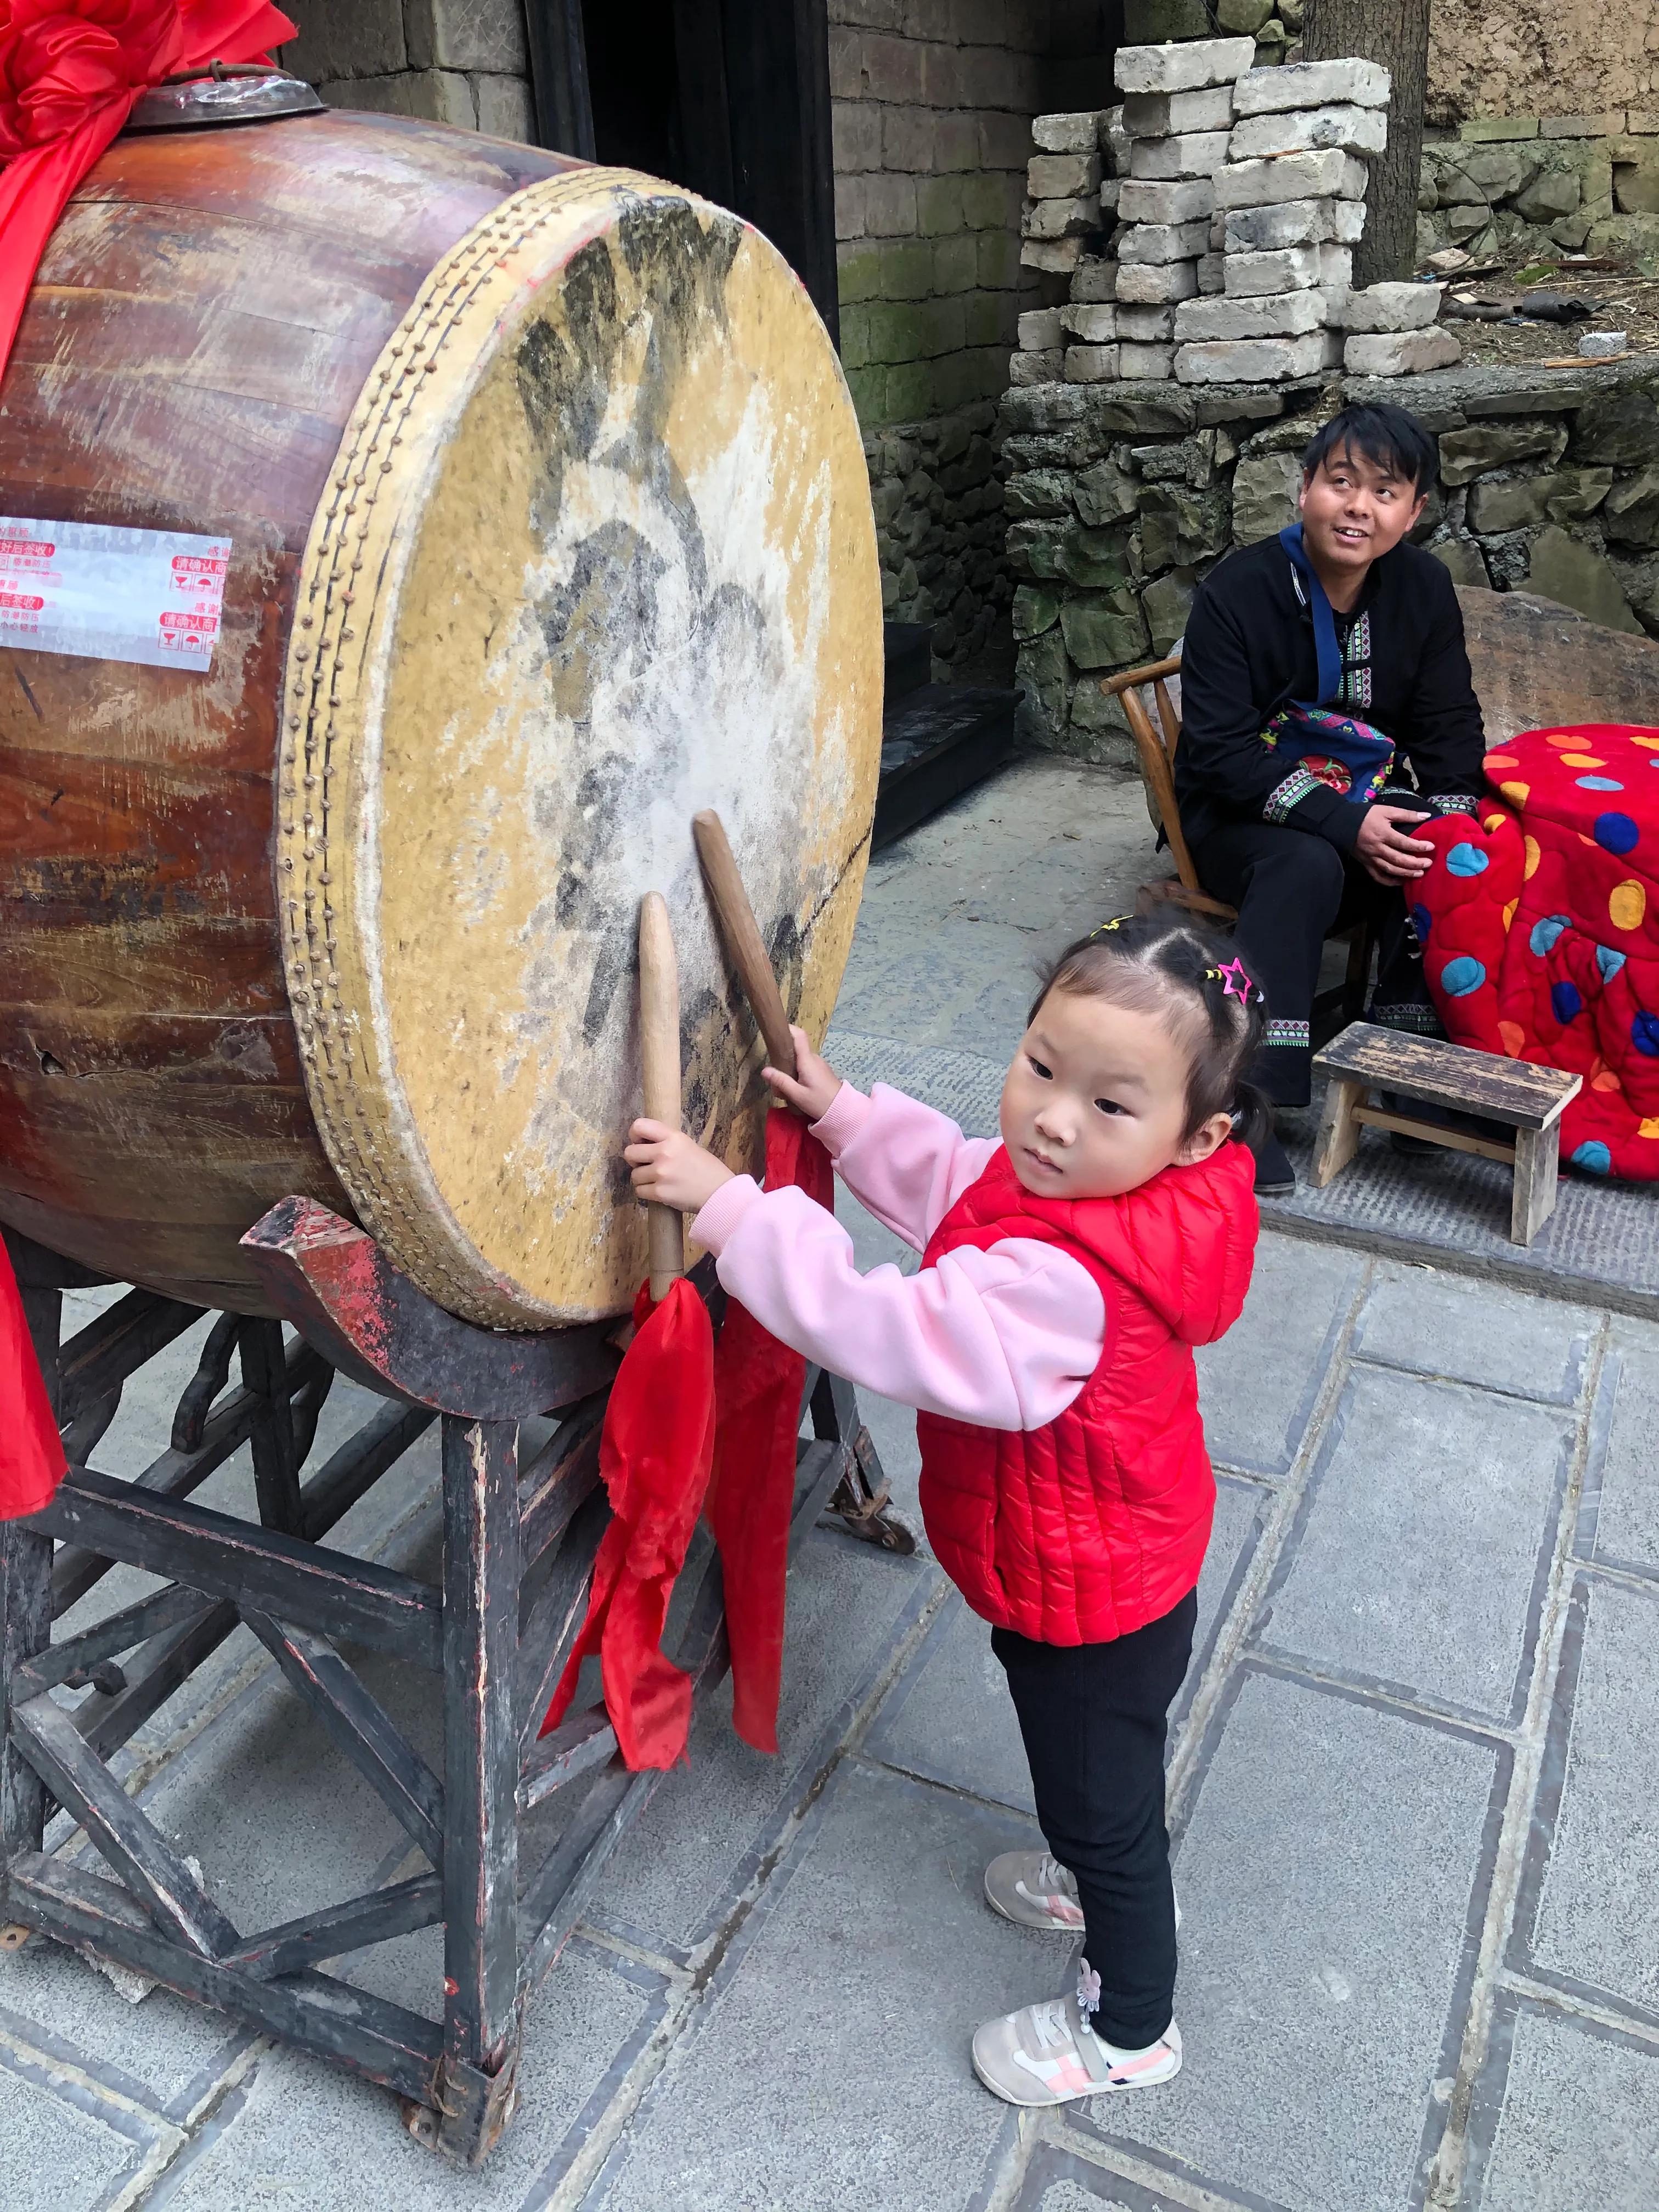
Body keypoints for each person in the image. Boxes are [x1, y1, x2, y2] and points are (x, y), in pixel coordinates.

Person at [625, 910, 1263, 2108]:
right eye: (1039, 1068)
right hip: (1099, 1560)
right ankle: (1091, 1866)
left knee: (1105, 1799)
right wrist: (849, 1120)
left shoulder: (1064, 1286)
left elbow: (884, 1326)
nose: (1054, 1118)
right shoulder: (1089, 1193)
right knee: (1091, 1771)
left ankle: (1130, 2025)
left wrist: (736, 1209)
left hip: (1097, 1598)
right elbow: (959, 1177)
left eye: (1111, 1106)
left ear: (1199, 1136)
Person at [1175, 401, 1486, 1195]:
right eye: (1341, 481)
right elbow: (1216, 753)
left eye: (1385, 492)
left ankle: (1406, 1062)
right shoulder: (1236, 592)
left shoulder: (1423, 589)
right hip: (1240, 814)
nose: (1358, 506)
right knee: (1307, 863)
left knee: (1439, 839)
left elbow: (1448, 723)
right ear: (1305, 487)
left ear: (1413, 514)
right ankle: (1253, 1099)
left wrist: (1450, 826)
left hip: (1366, 799)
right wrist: (1345, 823)